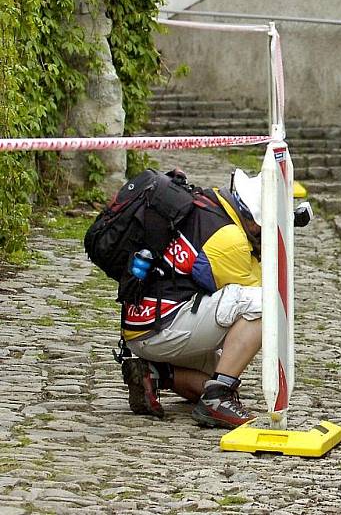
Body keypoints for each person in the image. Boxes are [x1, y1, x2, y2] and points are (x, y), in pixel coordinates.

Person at [119, 168, 312, 429]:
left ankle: (154, 374)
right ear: (255, 222)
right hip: (162, 327)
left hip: (147, 323)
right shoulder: (230, 239)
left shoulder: (212, 205)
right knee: (266, 307)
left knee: (213, 376)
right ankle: (217, 400)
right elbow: (263, 289)